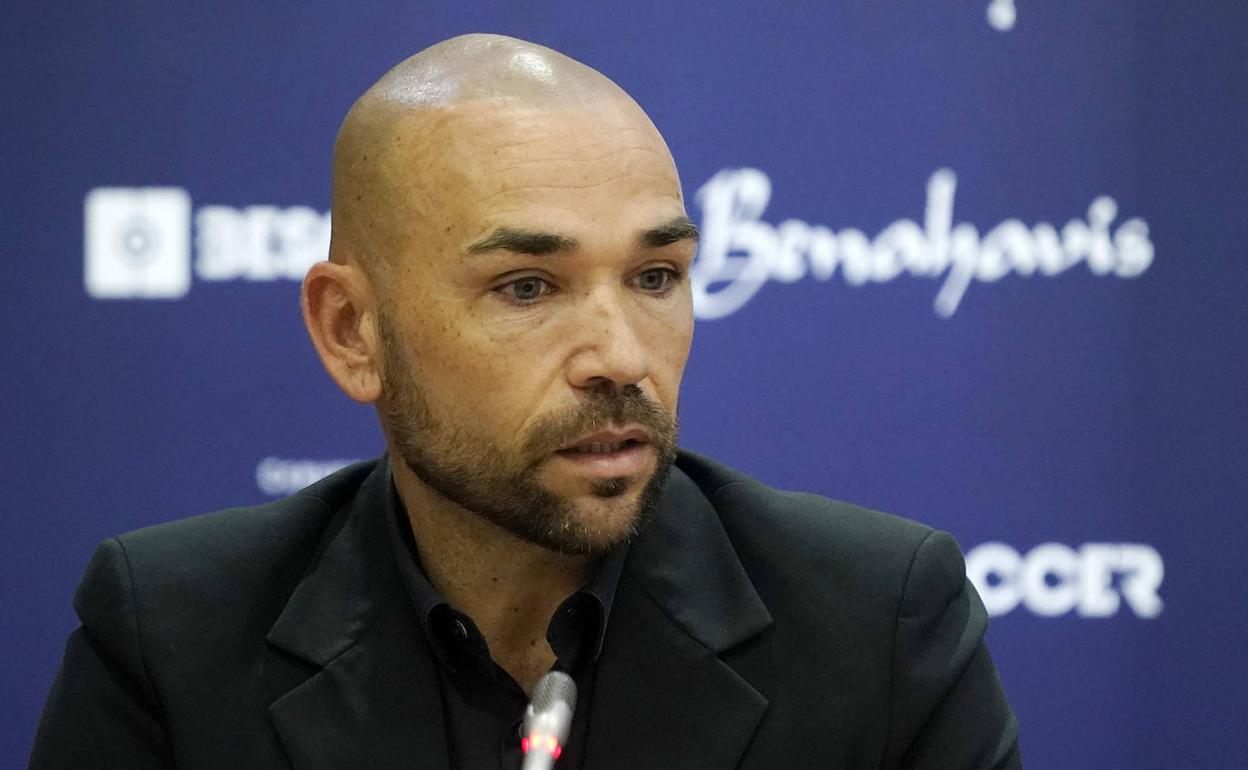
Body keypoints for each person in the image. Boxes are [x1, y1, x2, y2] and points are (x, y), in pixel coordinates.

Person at [30, 34, 1020, 769]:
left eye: (657, 276)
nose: (622, 356)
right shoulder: (169, 637)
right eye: (527, 288)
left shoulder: (879, 624)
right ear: (351, 332)